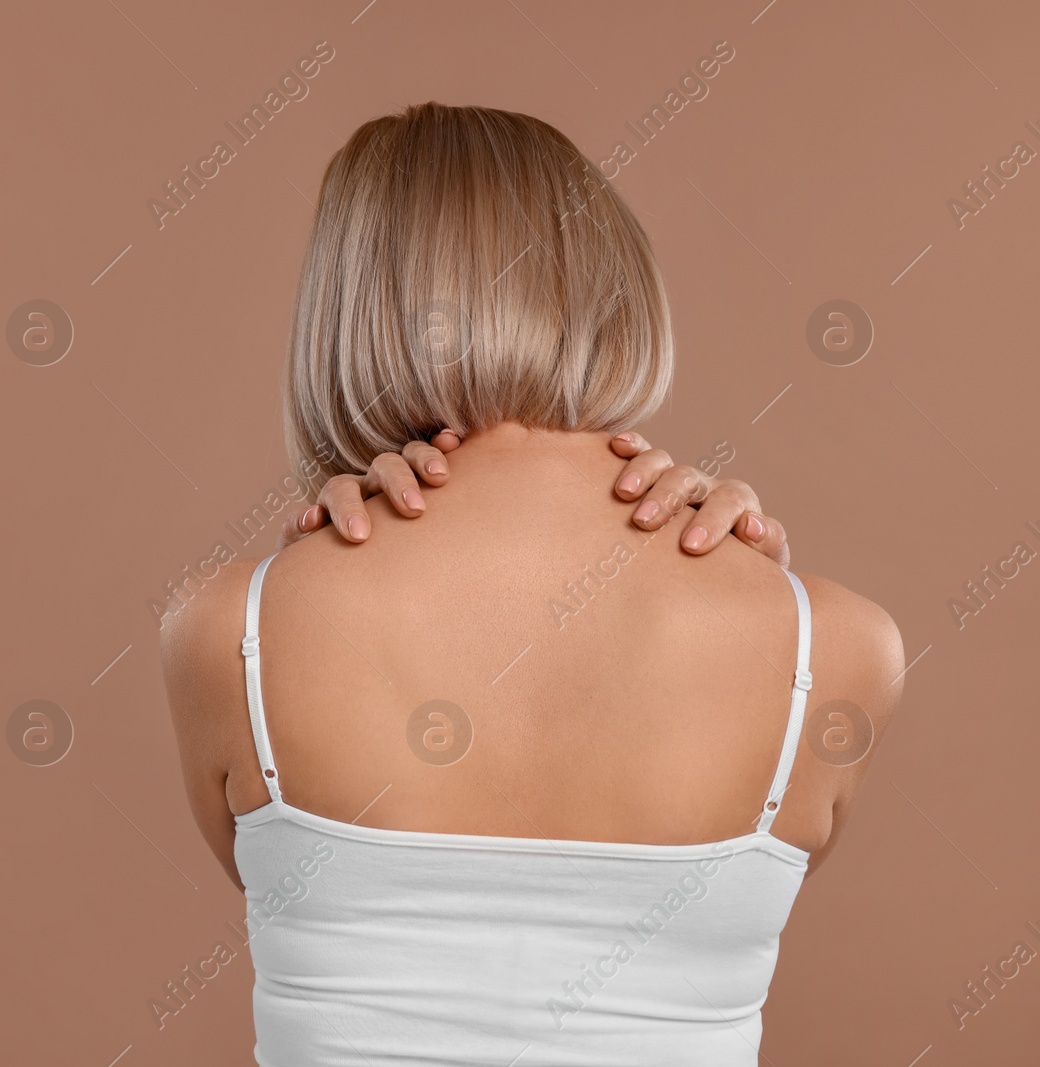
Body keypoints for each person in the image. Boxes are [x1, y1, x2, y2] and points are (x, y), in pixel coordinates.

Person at [159, 103, 903, 1065]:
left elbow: (296, 891)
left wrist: (312, 573)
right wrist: (754, 599)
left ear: (346, 315)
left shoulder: (225, 632)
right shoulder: (840, 648)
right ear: (616, 290)